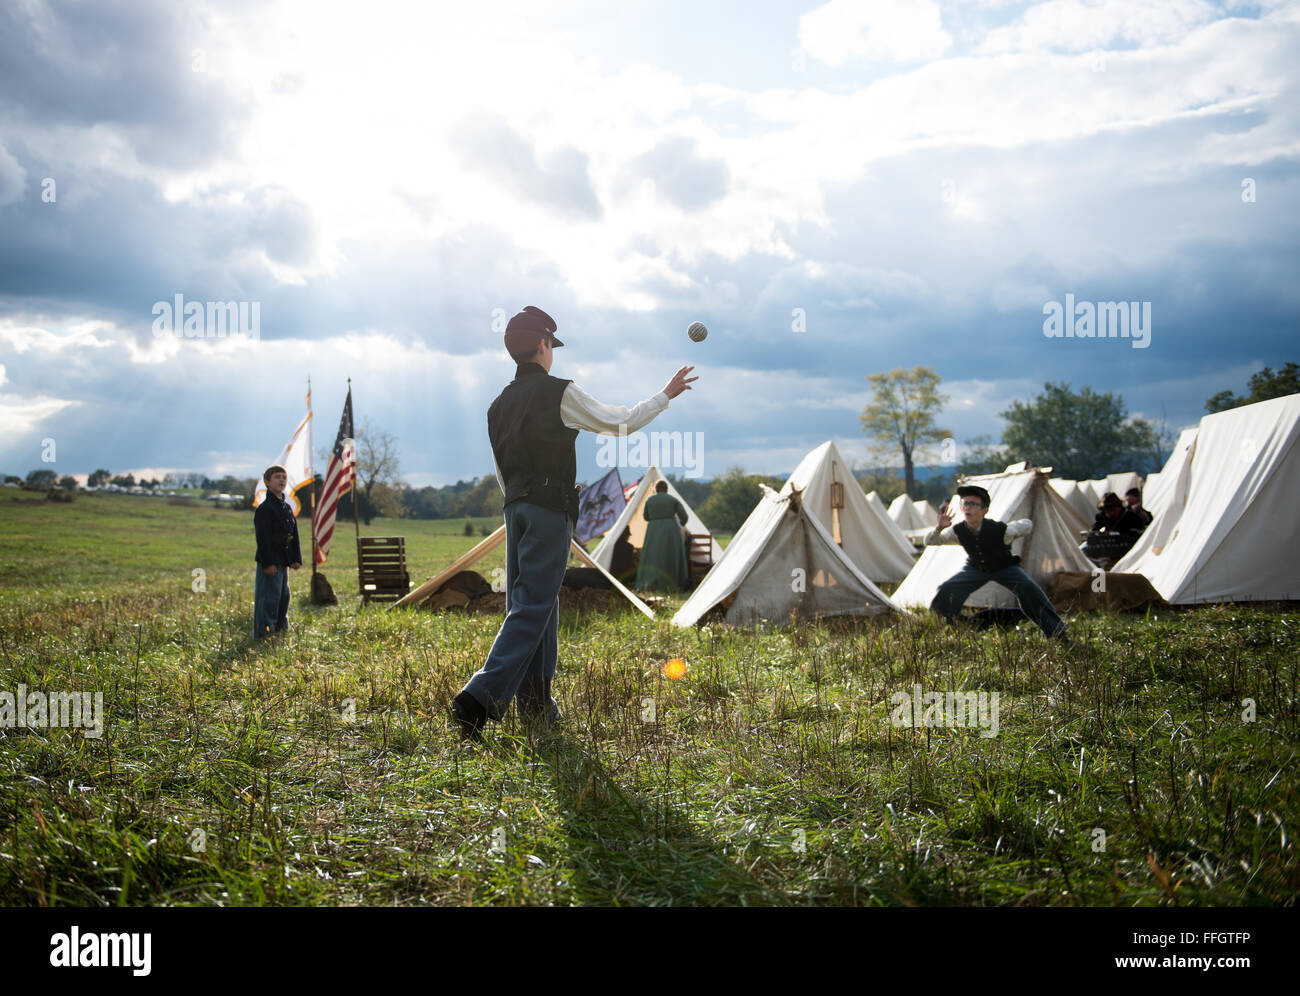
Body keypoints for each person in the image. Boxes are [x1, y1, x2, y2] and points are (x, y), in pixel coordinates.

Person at [451, 306, 698, 740]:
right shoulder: (559, 392)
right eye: (552, 346)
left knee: (537, 604)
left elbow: (500, 471)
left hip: (515, 507)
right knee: (533, 605)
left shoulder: (497, 406)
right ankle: (478, 697)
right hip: (548, 508)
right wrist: (665, 395)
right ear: (544, 345)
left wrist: (520, 502)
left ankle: (536, 704)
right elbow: (619, 423)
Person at [925, 485, 1068, 640]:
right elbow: (930, 541)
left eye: (973, 504)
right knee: (948, 589)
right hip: (976, 569)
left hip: (1005, 568)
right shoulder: (958, 531)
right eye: (965, 504)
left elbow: (1027, 525)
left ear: (985, 509)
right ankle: (942, 628)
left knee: (1029, 589)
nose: (968, 508)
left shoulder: (1002, 530)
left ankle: (1057, 632)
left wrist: (1014, 527)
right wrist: (939, 528)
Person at [253, 465, 302, 641]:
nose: (281, 480)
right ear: (267, 482)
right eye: (277, 477)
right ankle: (264, 635)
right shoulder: (265, 509)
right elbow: (263, 539)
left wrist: (296, 558)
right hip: (271, 561)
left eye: (284, 477)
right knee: (268, 598)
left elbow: (293, 535)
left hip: (284, 560)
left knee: (283, 597)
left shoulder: (287, 508)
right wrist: (268, 563)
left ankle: (281, 632)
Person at [635, 481, 689, 591]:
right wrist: (679, 524)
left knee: (652, 555)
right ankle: (674, 583)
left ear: (656, 489)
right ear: (666, 489)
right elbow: (684, 516)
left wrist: (655, 520)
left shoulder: (649, 500)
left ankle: (651, 583)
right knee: (671, 555)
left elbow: (646, 517)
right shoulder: (673, 500)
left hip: (654, 530)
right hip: (671, 530)